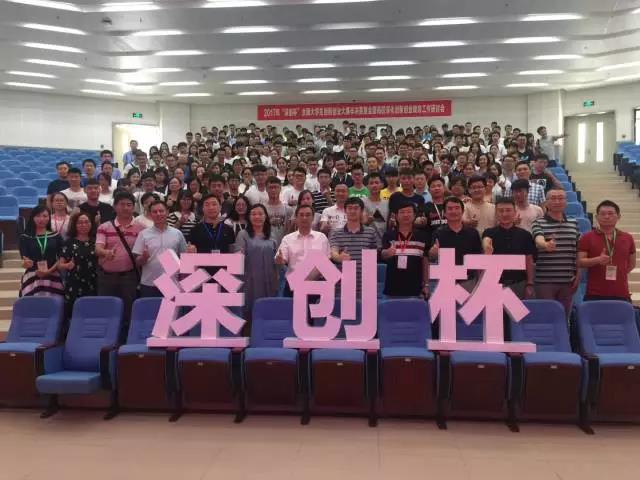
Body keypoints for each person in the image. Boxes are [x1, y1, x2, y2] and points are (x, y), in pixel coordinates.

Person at [95, 191, 144, 322]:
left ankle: (126, 333)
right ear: (115, 206)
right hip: (106, 277)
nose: (125, 208)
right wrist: (106, 252)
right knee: (106, 310)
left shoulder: (141, 229)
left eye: (129, 205)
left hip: (130, 277)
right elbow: (98, 249)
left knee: (129, 311)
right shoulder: (104, 227)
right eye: (122, 204)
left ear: (133, 207)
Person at [532, 188, 581, 315]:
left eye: (561, 198)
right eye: (553, 198)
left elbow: (578, 251)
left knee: (564, 316)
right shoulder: (538, 222)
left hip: (568, 281)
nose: (557, 201)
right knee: (547, 316)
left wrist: (579, 274)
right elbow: (538, 238)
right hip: (545, 281)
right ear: (546, 202)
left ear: (566, 202)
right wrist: (545, 244)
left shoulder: (574, 223)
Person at [578, 200, 636, 302]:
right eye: (603, 214)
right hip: (595, 293)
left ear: (618, 216)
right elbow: (579, 262)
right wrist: (597, 260)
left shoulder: (627, 238)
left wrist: (620, 273)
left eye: (610, 213)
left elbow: (631, 264)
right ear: (596, 217)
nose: (607, 217)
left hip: (621, 292)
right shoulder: (587, 237)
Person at [482, 198, 536, 299]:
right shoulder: (489, 233)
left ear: (514, 212)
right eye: (501, 211)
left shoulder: (525, 235)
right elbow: (486, 241)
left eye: (508, 210)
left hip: (519, 283)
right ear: (496, 213)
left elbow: (529, 260)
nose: (504, 214)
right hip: (496, 284)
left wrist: (530, 283)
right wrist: (486, 246)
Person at [132, 201, 187, 297]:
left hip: (171, 283)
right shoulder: (143, 234)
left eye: (161, 211)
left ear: (167, 212)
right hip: (149, 283)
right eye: (155, 212)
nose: (158, 214)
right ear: (150, 214)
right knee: (149, 307)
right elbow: (137, 263)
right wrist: (144, 258)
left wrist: (191, 253)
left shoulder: (177, 233)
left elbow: (184, 258)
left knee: (171, 307)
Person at [234, 204, 279, 322]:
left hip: (269, 277)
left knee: (268, 310)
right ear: (249, 217)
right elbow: (237, 257)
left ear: (265, 216)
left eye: (260, 214)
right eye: (253, 214)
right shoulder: (243, 234)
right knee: (250, 310)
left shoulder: (272, 234)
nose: (257, 217)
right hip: (250, 278)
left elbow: (277, 256)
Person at [276, 204, 330, 297]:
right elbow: (281, 259)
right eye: (301, 215)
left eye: (308, 215)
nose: (304, 218)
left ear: (313, 218)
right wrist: (280, 260)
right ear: (296, 218)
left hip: (317, 286)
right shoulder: (287, 238)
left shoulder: (322, 237)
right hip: (294, 286)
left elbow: (327, 261)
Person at [430, 197, 482, 290]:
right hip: (446, 281)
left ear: (462, 211)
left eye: (457, 208)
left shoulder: (473, 233)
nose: (453, 211)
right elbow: (432, 257)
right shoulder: (438, 233)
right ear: (444, 213)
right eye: (450, 209)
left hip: (469, 280)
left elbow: (478, 257)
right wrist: (433, 253)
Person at [381, 200, 430, 298]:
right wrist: (386, 253)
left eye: (409, 212)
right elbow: (383, 255)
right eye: (402, 212)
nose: (405, 215)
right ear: (396, 216)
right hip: (392, 287)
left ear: (414, 215)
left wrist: (426, 285)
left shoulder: (423, 236)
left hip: (416, 288)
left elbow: (425, 262)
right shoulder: (388, 235)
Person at [329, 197, 378, 295]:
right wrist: (339, 257)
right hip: (343, 284)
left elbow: (374, 256)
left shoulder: (371, 232)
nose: (352, 211)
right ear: (345, 211)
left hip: (365, 285)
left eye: (356, 208)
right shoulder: (336, 232)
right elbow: (333, 251)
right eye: (349, 208)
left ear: (361, 211)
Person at [19, 206, 64, 298]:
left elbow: (61, 257)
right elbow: (24, 260)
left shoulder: (56, 236)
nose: (41, 219)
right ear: (33, 217)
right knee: (32, 304)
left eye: (45, 216)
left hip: (53, 275)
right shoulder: (25, 237)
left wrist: (49, 271)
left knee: (54, 304)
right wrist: (26, 264)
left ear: (49, 218)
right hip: (32, 276)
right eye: (38, 216)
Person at [58, 212, 97, 316]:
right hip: (74, 283)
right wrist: (67, 266)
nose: (83, 225)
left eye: (86, 222)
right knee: (74, 314)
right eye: (80, 222)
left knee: (91, 313)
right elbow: (60, 265)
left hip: (93, 282)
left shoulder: (97, 242)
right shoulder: (69, 242)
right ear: (74, 225)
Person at [264, 176, 293, 247]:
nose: (273, 190)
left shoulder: (288, 209)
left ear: (280, 189)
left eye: (276, 187)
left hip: (284, 245)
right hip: (267, 245)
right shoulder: (262, 209)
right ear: (266, 189)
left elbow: (290, 230)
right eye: (271, 187)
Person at [363, 172, 389, 248]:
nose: (374, 185)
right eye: (371, 183)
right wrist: (367, 222)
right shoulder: (362, 202)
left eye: (377, 183)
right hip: (368, 245)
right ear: (367, 186)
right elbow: (360, 224)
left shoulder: (388, 203)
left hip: (385, 244)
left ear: (382, 185)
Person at [422, 176, 447, 242]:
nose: (436, 188)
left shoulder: (450, 204)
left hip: (450, 241)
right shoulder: (425, 207)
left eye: (439, 186)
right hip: (431, 242)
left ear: (444, 188)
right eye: (433, 186)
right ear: (429, 190)